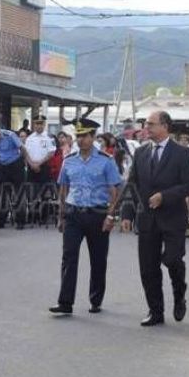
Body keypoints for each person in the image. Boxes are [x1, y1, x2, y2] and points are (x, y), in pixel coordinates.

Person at [121, 111, 189, 326]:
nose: (147, 128)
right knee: (148, 267)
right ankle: (156, 311)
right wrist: (127, 213)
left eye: (151, 124)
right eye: (146, 124)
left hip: (173, 217)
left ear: (165, 126)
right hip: (147, 219)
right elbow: (132, 185)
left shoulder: (181, 153)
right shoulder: (141, 153)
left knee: (172, 259)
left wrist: (165, 196)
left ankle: (179, 293)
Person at [49, 119, 122, 315]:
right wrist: (61, 215)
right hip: (74, 214)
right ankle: (65, 302)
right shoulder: (69, 160)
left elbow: (115, 189)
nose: (80, 140)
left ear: (93, 137)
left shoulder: (105, 161)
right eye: (78, 136)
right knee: (69, 257)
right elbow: (63, 187)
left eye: (84, 136)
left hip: (97, 214)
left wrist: (111, 216)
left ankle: (95, 299)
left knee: (98, 260)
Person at [0, 125, 28, 229]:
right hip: (3, 167)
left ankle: (20, 221)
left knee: (19, 193)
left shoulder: (10, 135)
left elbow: (22, 148)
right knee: (3, 194)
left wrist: (24, 162)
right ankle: (1, 220)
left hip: (15, 165)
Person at [24, 115, 56, 226]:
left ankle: (44, 217)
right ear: (34, 124)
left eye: (41, 123)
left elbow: (51, 153)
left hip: (43, 167)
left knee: (44, 193)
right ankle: (33, 216)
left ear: (44, 124)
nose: (39, 125)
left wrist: (39, 163)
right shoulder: (29, 138)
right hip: (31, 167)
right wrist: (32, 164)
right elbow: (25, 153)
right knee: (31, 193)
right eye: (37, 123)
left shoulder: (49, 137)